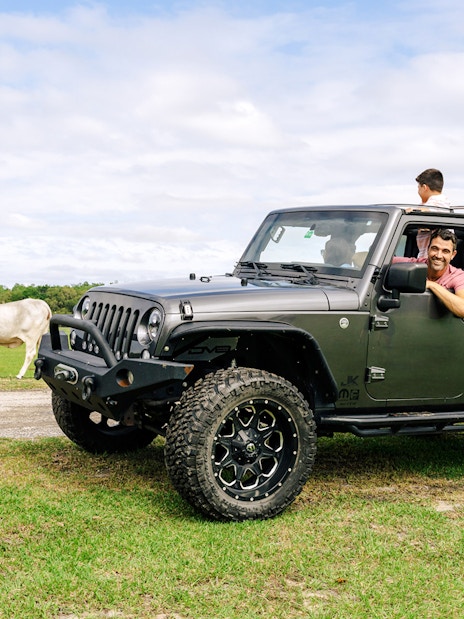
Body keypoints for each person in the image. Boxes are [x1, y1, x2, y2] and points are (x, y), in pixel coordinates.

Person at [394, 228, 464, 318]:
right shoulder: (415, 264)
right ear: (428, 249)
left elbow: (463, 309)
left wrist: (432, 285)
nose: (438, 256)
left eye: (445, 251)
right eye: (435, 249)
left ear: (453, 255)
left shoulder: (457, 275)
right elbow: (381, 261)